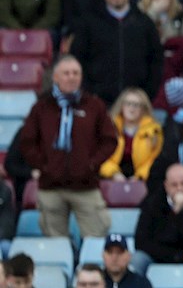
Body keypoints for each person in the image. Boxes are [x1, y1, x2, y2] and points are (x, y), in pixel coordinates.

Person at [18, 56, 117, 237]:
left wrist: (92, 164)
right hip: (51, 187)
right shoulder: (41, 107)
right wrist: (44, 165)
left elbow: (110, 140)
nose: (71, 77)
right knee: (55, 243)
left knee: (97, 237)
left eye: (76, 73)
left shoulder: (94, 105)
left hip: (86, 186)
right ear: (55, 77)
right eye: (66, 73)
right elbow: (27, 142)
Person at [134, 162, 183, 275]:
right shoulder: (153, 203)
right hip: (161, 255)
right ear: (166, 186)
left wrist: (180, 214)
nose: (179, 189)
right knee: (138, 258)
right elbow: (141, 242)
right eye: (174, 185)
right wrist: (178, 255)